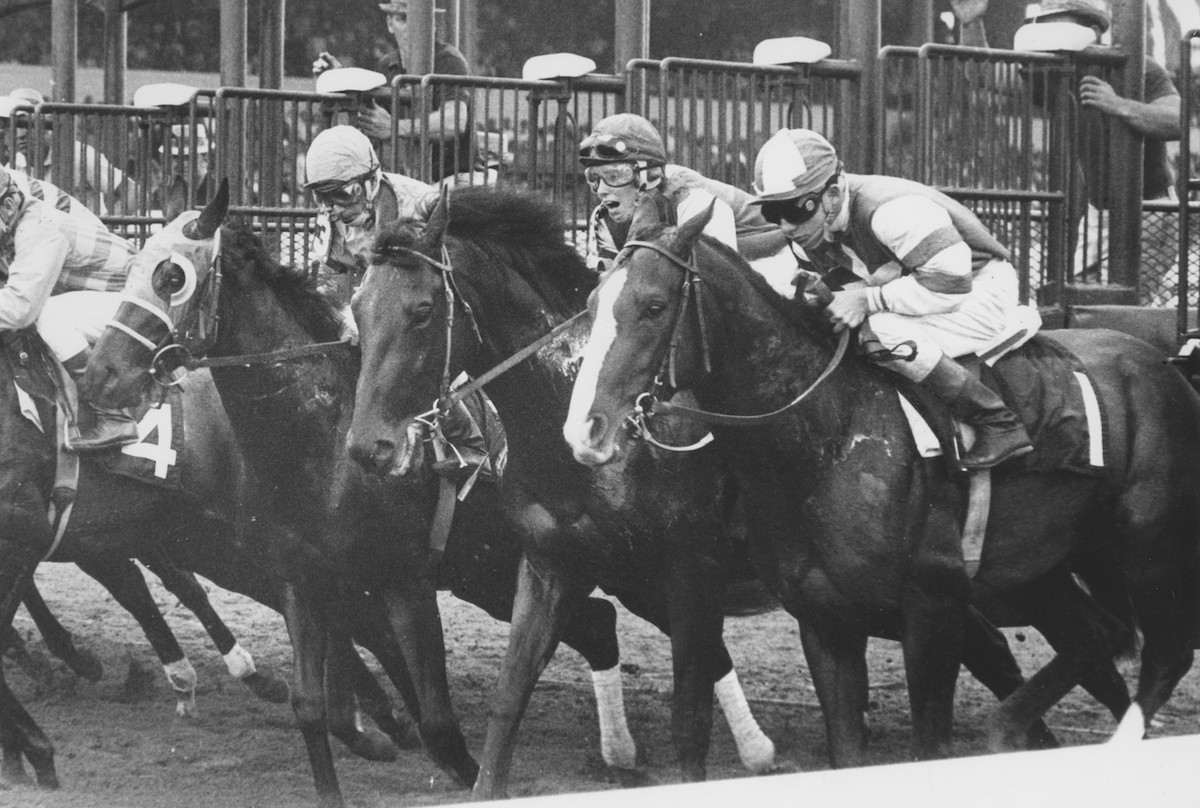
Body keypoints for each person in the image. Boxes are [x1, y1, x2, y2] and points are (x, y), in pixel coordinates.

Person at [750, 128, 1038, 470]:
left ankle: (997, 420)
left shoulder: (891, 209)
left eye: (795, 211)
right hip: (921, 282)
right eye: (772, 212)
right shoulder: (813, 226)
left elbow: (951, 283)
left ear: (831, 192)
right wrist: (830, 296)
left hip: (979, 287)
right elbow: (858, 284)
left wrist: (865, 301)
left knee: (880, 332)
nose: (784, 226)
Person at [303, 125, 495, 480]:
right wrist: (340, 315)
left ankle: (470, 444)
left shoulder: (422, 204)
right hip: (374, 310)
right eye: (322, 198)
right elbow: (330, 278)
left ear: (372, 181)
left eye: (342, 195)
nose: (332, 210)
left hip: (427, 309)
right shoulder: (331, 221)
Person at [954, 0, 1181, 286]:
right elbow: (985, 75)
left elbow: (1178, 121)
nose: (1047, 31)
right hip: (1100, 210)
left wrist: (1118, 105)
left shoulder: (1138, 67)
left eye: (1059, 22)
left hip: (1150, 208)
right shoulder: (1054, 71)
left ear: (1093, 30)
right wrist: (971, 23)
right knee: (1080, 292)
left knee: (1129, 297)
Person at [0, 164, 139, 451]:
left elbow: (19, 309)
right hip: (112, 295)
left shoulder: (38, 227)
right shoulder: (17, 221)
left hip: (135, 300)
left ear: (9, 205)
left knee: (49, 315)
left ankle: (111, 412)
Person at [578, 113, 794, 294]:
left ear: (648, 176)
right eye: (593, 178)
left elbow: (718, 285)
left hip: (778, 244)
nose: (602, 190)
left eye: (614, 177)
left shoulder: (693, 200)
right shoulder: (602, 218)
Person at [312, 1, 488, 186]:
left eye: (419, 20)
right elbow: (367, 129)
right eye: (402, 19)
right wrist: (338, 83)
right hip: (412, 180)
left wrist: (394, 127)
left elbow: (454, 122)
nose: (411, 28)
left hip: (458, 176)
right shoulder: (386, 66)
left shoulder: (449, 61)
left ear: (433, 24)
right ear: (390, 24)